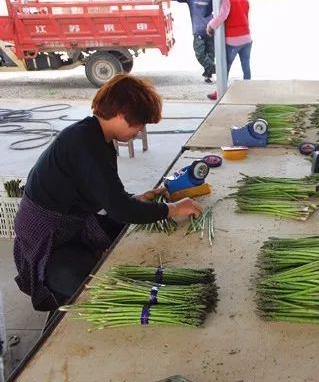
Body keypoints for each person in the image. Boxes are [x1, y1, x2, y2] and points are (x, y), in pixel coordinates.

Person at [13, 74, 202, 311]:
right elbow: (120, 210)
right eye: (139, 124)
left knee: (119, 240)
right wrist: (173, 208)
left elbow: (109, 195)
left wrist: (135, 200)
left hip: (72, 221)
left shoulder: (98, 136)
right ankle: (58, 309)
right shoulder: (84, 142)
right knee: (94, 285)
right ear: (122, 115)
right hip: (48, 239)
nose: (139, 131)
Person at [154, 0, 215, 84]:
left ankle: (208, 76)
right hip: (198, 31)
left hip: (210, 31)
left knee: (210, 55)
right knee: (200, 54)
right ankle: (217, 69)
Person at [206, 0, 252, 101]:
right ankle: (249, 91)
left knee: (225, 67)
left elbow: (223, 15)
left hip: (233, 40)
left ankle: (219, 91)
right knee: (246, 66)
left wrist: (211, 26)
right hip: (247, 38)